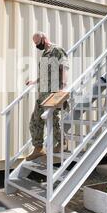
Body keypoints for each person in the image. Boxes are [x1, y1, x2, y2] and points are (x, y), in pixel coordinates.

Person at [25, 32, 69, 161]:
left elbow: (65, 67)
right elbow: (46, 73)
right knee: (35, 120)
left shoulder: (57, 50)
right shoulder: (44, 54)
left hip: (53, 91)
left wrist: (63, 87)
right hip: (42, 92)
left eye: (38, 43)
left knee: (55, 119)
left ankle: (62, 143)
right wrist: (34, 81)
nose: (37, 46)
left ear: (44, 39)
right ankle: (38, 149)